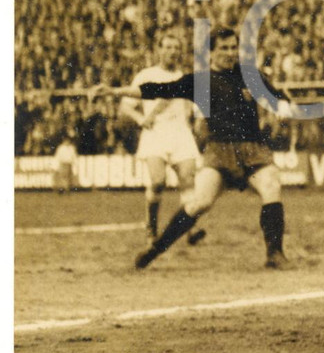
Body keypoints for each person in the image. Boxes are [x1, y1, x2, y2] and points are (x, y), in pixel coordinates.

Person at [89, 28, 291, 270]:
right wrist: (114, 91)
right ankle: (156, 248)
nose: (230, 53)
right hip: (219, 153)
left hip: (252, 151)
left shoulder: (249, 74)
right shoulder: (199, 81)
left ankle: (275, 254)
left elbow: (279, 95)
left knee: (271, 186)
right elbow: (155, 89)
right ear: (211, 52)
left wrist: (283, 108)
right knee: (199, 203)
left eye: (232, 47)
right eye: (223, 48)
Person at [119, 32, 204, 244]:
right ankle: (151, 229)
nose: (172, 52)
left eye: (176, 48)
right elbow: (125, 105)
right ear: (159, 50)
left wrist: (195, 118)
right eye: (167, 47)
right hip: (156, 133)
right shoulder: (146, 75)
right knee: (157, 182)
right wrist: (140, 119)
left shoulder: (185, 78)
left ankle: (191, 230)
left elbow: (196, 108)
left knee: (188, 180)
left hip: (180, 132)